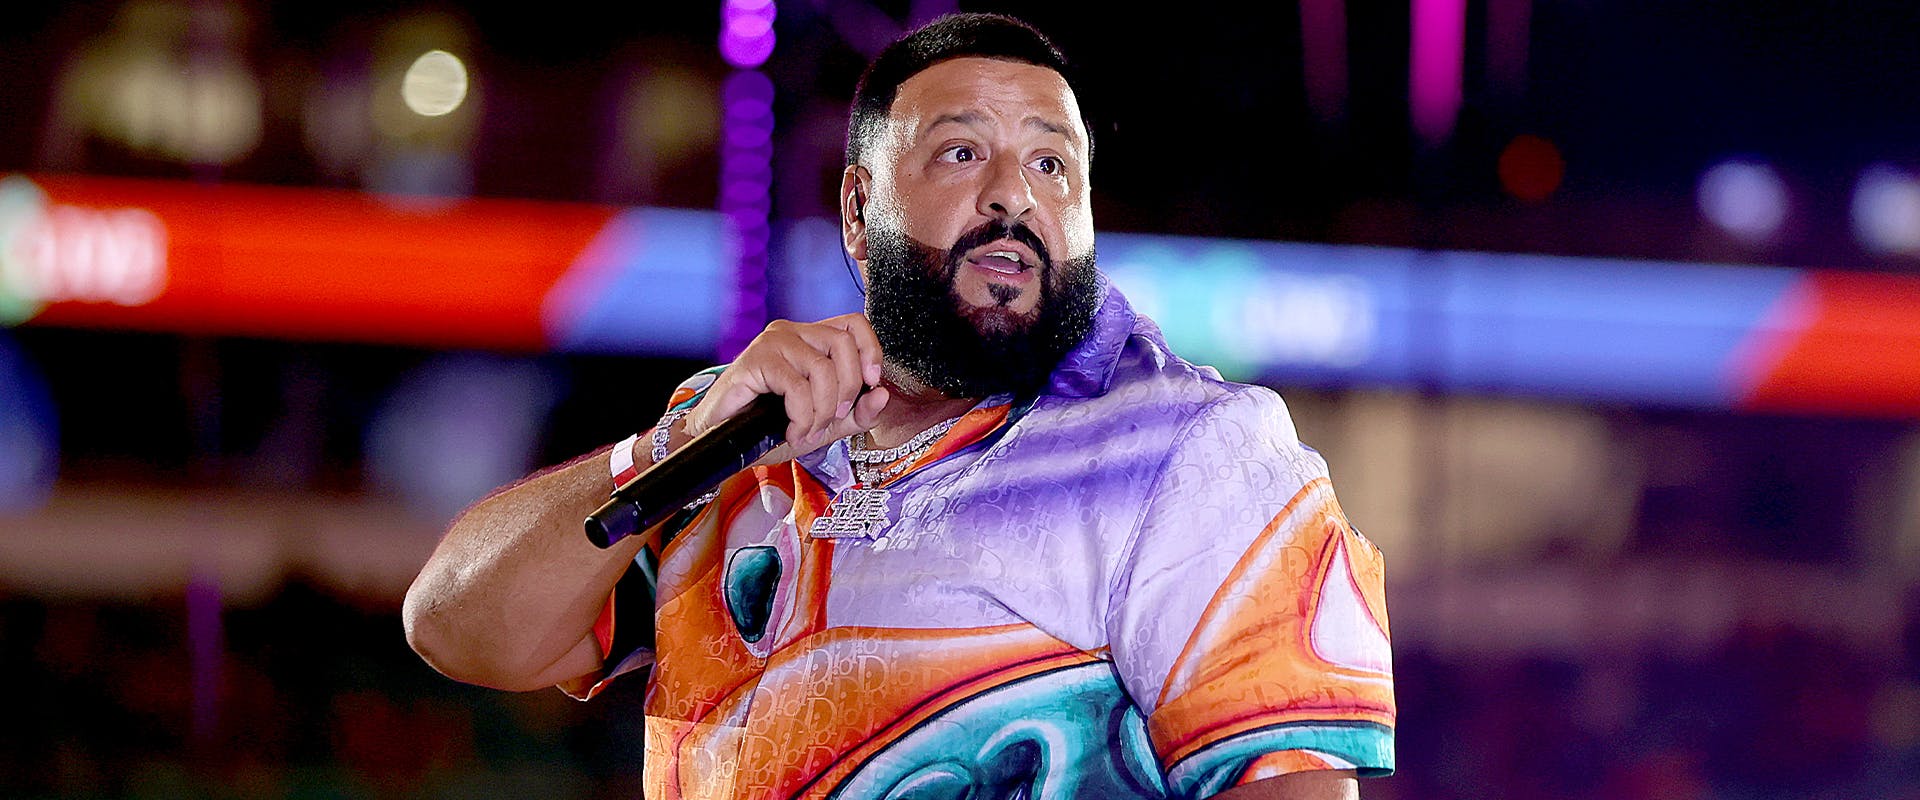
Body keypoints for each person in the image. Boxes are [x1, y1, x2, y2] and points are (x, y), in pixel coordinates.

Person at [404, 13, 1395, 800]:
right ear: (855, 209)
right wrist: (673, 443)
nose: (1015, 194)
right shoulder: (737, 432)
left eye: (1054, 165)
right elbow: (456, 628)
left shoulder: (1187, 451)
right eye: (961, 154)